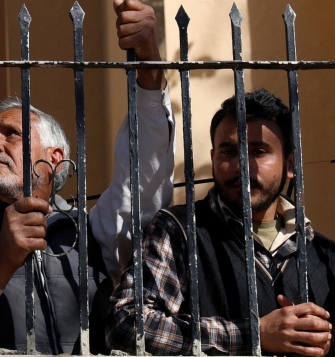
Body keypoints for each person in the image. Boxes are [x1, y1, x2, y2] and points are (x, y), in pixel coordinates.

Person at [0, 0, 177, 354]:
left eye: (10, 134)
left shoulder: (91, 231)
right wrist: (1, 258)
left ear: (55, 158)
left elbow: (145, 180)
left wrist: (150, 64)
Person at [107, 88, 335, 356]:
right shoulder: (179, 230)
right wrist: (254, 335)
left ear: (290, 164)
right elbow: (127, 327)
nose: (242, 165)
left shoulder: (323, 254)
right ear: (214, 158)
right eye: (229, 152)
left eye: (259, 151)